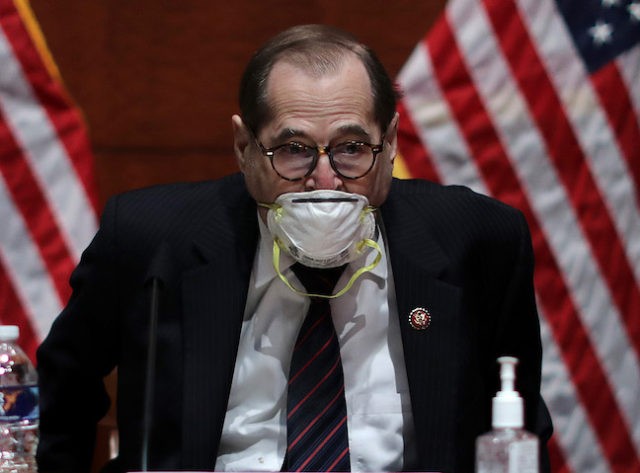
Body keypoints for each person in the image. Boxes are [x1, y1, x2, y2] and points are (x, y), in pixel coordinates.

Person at [36, 24, 553, 473]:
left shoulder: (479, 240)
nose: (324, 180)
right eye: (294, 150)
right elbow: (65, 387)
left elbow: (521, 422)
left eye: (352, 149)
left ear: (390, 143)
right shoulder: (150, 237)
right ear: (244, 148)